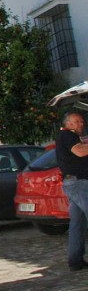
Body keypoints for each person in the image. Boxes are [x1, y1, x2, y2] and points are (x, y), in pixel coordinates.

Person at [57, 110, 88, 271]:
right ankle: (75, 260)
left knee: (77, 223)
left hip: (74, 182)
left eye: (82, 121)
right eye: (78, 121)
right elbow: (80, 151)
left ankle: (75, 260)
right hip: (78, 183)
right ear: (68, 124)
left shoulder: (72, 137)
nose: (82, 124)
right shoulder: (67, 135)